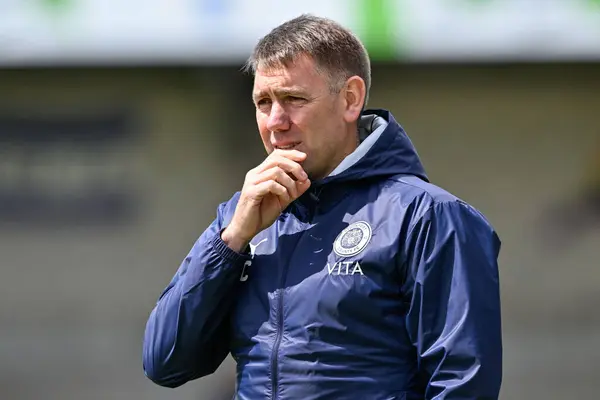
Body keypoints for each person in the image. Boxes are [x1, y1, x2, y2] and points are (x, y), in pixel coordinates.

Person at [142, 14, 502, 400]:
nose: (275, 121)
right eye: (263, 102)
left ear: (350, 98)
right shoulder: (243, 221)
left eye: (294, 99)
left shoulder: (428, 217)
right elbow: (165, 362)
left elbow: (464, 385)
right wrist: (230, 241)